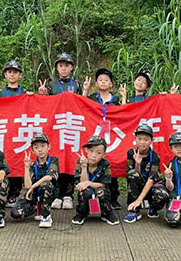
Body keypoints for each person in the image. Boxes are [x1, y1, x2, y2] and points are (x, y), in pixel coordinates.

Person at [39, 52, 89, 210]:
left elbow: (83, 104)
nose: (63, 68)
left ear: (72, 67)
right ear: (57, 68)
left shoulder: (78, 84)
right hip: (57, 128)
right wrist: (43, 95)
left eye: (66, 65)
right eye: (60, 66)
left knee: (71, 159)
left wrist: (85, 92)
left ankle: (68, 195)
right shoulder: (51, 85)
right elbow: (45, 106)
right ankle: (57, 195)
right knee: (58, 158)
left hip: (73, 126)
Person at [0, 60, 32, 208]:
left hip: (19, 132)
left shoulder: (25, 93)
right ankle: (2, 193)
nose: (12, 74)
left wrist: (35, 97)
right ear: (5, 74)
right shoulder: (0, 93)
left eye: (15, 72)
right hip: (4, 132)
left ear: (20, 75)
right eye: (9, 72)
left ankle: (14, 195)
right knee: (6, 160)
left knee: (17, 160)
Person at [86, 68, 122, 210]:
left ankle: (113, 198)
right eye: (100, 80)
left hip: (112, 136)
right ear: (96, 83)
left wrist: (124, 98)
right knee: (93, 163)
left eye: (106, 80)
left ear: (111, 84)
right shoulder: (92, 98)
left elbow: (124, 114)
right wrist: (85, 91)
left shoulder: (116, 99)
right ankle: (90, 196)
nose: (103, 82)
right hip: (95, 134)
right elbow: (81, 107)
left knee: (112, 164)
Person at [10, 133, 59, 228]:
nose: (40, 149)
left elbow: (49, 177)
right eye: (36, 147)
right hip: (34, 195)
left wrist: (33, 186)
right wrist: (27, 167)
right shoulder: (33, 165)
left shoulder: (53, 160)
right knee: (15, 213)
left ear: (49, 147)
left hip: (49, 192)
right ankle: (35, 208)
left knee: (46, 185)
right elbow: (27, 186)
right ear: (32, 151)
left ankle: (46, 216)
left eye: (43, 146)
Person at [124, 124, 169, 223]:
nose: (142, 142)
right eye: (139, 139)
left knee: (163, 195)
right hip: (137, 186)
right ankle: (134, 211)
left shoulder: (155, 157)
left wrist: (139, 200)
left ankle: (153, 208)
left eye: (146, 139)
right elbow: (131, 176)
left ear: (152, 141)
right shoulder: (131, 153)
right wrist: (137, 164)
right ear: (135, 139)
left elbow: (151, 179)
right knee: (132, 173)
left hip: (151, 186)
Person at [71, 135, 119, 225]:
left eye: (98, 153)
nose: (93, 156)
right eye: (91, 151)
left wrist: (89, 183)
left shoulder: (105, 164)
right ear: (86, 150)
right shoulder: (80, 162)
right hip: (86, 191)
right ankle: (81, 213)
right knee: (84, 192)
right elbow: (81, 184)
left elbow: (103, 184)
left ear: (104, 155)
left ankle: (107, 213)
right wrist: (84, 167)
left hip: (99, 189)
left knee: (102, 192)